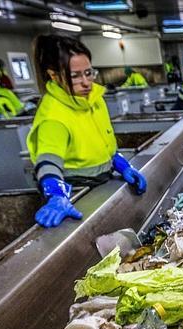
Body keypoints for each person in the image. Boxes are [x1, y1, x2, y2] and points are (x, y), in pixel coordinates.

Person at [27, 34, 146, 228]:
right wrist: (56, 195)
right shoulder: (54, 115)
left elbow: (103, 143)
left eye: (89, 72)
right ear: (54, 75)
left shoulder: (94, 100)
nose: (86, 82)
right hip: (76, 197)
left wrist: (122, 165)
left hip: (103, 184)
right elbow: (47, 162)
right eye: (75, 76)